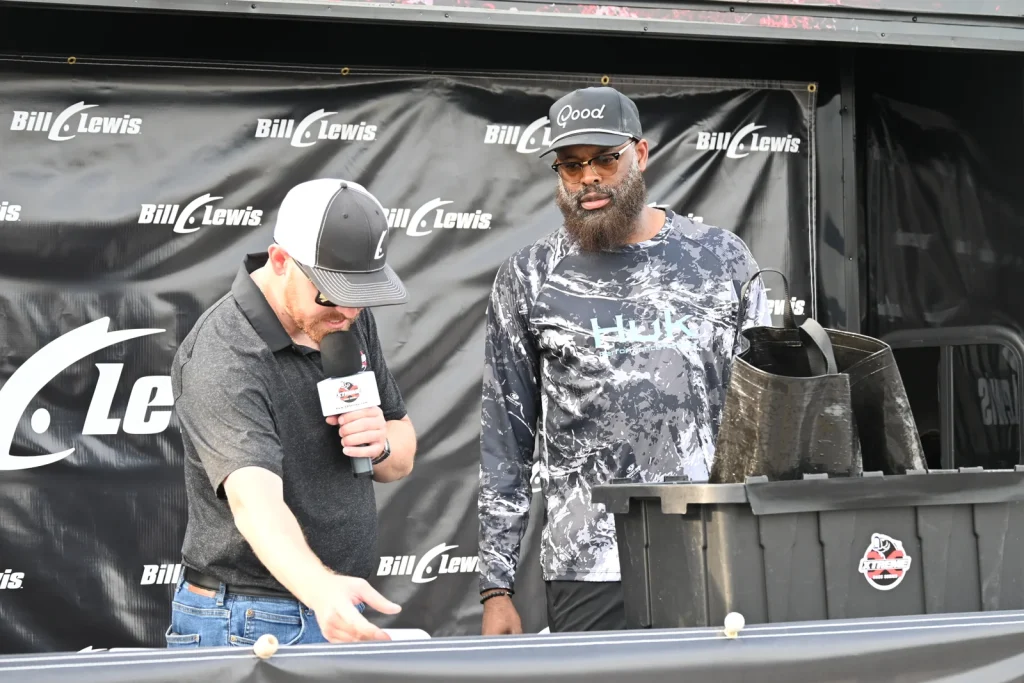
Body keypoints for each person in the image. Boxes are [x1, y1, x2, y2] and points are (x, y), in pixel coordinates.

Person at [476, 87, 772, 634]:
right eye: (571, 165)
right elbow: (505, 438)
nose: (589, 178)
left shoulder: (722, 258)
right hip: (586, 563)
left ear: (640, 153)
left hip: (711, 548)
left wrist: (763, 541)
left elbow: (763, 416)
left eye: (605, 160)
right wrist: (496, 587)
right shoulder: (529, 275)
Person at [166, 178, 417, 648]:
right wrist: (321, 590)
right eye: (331, 292)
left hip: (336, 600)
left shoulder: (345, 315)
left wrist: (380, 443)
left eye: (360, 293)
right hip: (249, 617)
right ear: (280, 261)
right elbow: (254, 504)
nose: (348, 311)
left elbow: (400, 455)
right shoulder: (224, 354)